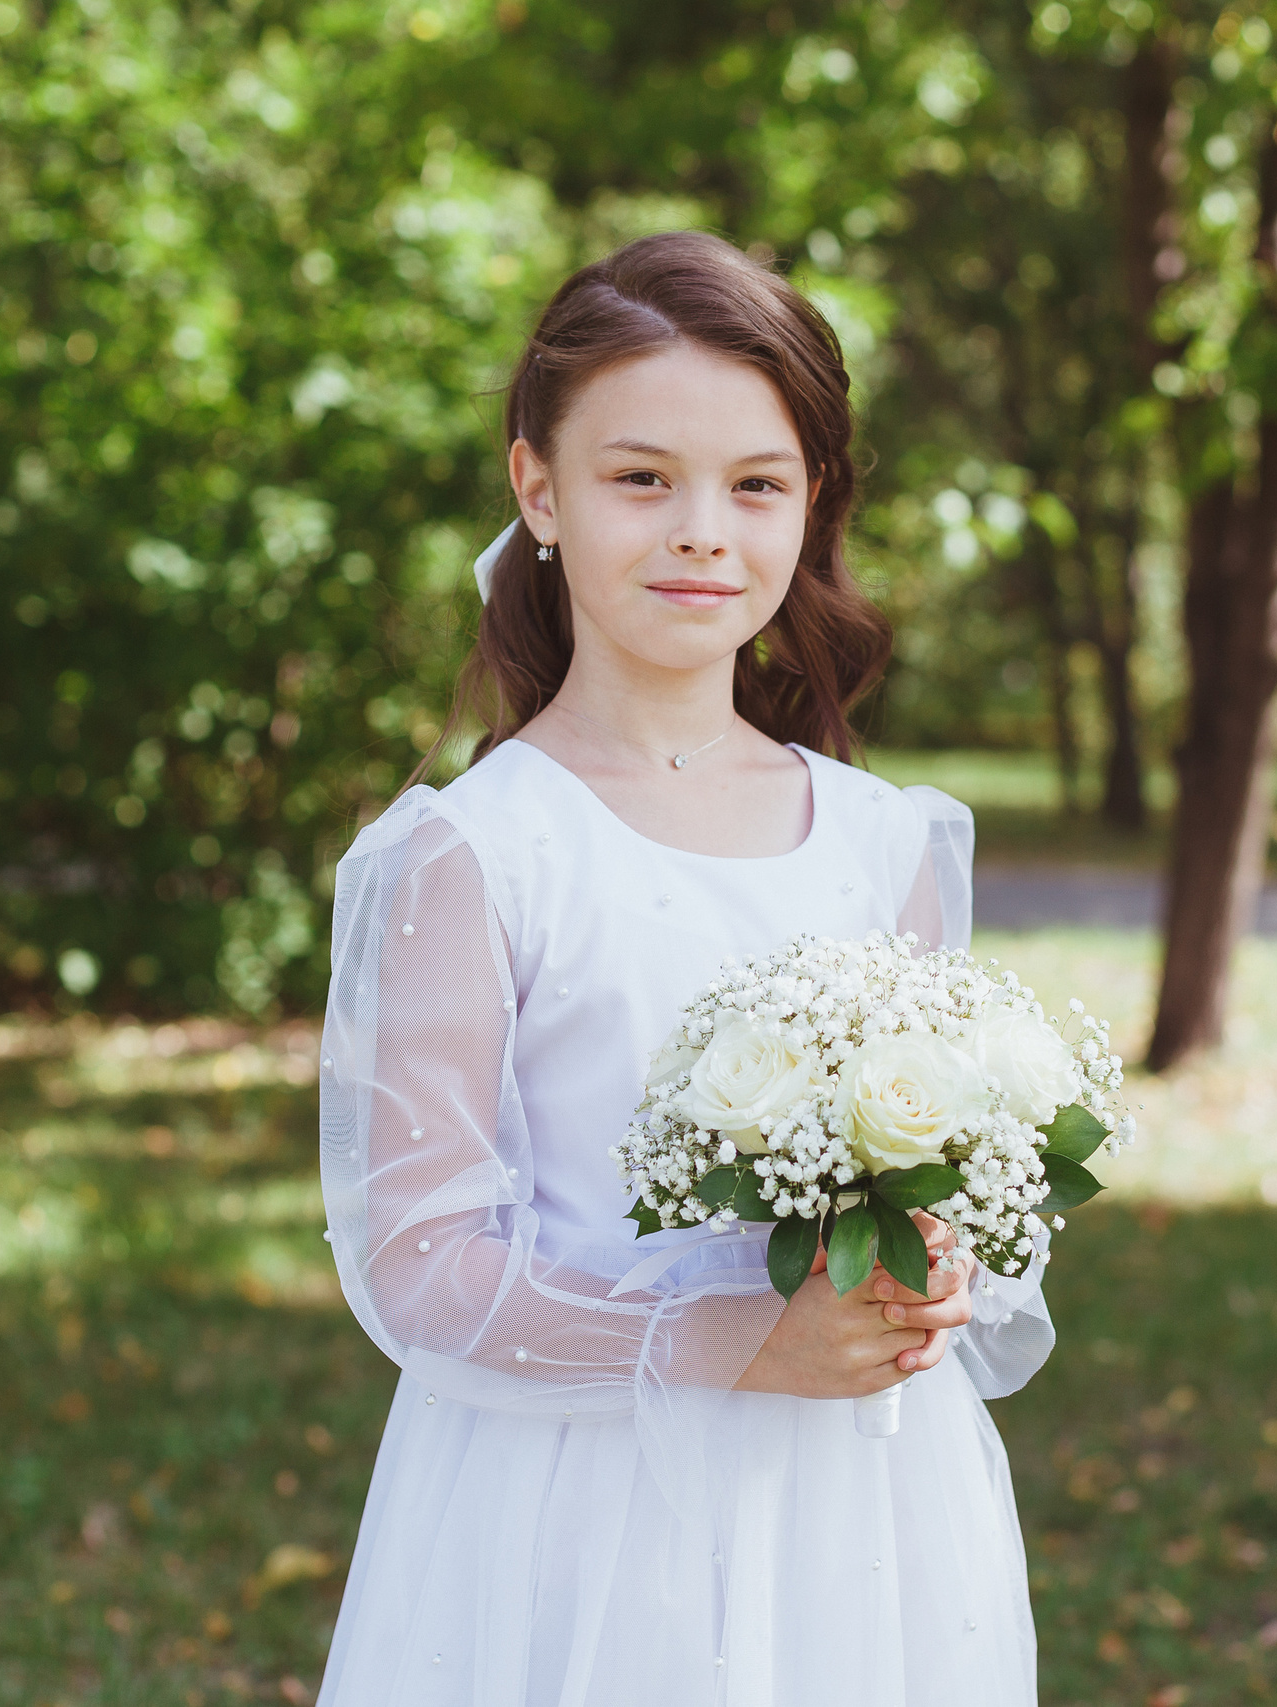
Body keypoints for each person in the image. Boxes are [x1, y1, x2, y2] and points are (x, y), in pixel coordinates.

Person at [315, 231, 1052, 1705]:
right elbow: (421, 1266)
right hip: (583, 1507)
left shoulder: (878, 839)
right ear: (540, 489)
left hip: (859, 1511)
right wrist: (731, 1339)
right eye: (641, 478)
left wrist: (932, 1266)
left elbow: (947, 1167)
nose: (703, 530)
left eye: (756, 484)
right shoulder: (475, 855)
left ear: (812, 504)